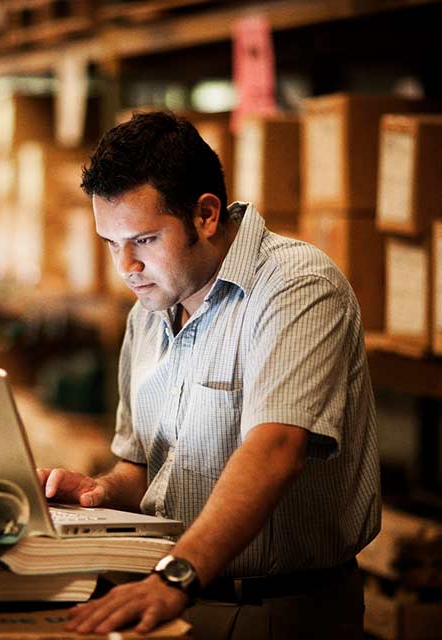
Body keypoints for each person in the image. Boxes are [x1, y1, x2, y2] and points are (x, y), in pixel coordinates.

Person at [37, 110, 381, 639]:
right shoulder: (147, 313)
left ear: (204, 214)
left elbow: (276, 450)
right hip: (172, 596)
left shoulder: (297, 288)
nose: (125, 266)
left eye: (144, 240)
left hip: (277, 612)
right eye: (110, 243)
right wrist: (100, 497)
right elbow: (144, 468)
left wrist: (175, 576)